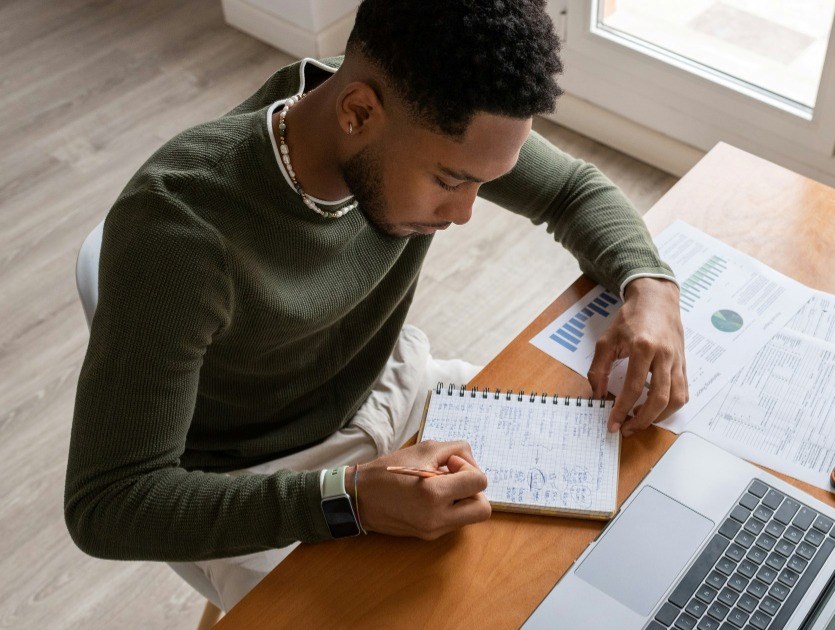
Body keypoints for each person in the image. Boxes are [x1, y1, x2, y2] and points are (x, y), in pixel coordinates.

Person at [64, 0, 688, 612]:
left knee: (603, 539)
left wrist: (651, 288)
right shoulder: (179, 232)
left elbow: (573, 189)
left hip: (398, 388)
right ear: (357, 111)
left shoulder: (408, 101)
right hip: (259, 481)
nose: (465, 213)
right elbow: (110, 503)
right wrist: (350, 498)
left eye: (484, 182)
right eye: (449, 181)